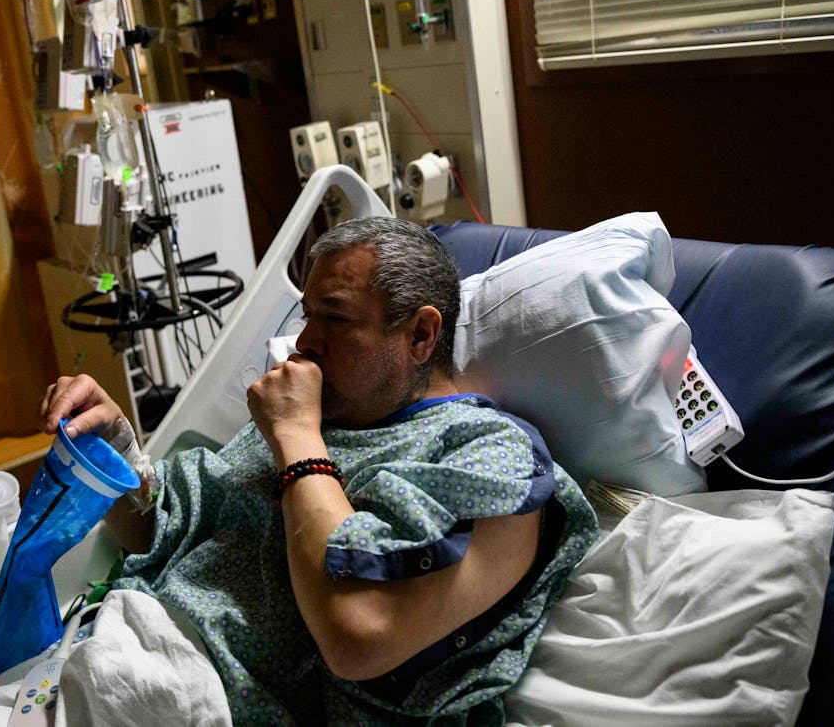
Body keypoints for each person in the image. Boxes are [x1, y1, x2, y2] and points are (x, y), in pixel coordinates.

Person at [41, 217, 597, 724]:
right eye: (308, 316)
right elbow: (154, 528)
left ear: (421, 336)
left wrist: (297, 439)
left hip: (214, 699)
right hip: (106, 649)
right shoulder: (322, 414)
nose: (305, 343)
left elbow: (357, 637)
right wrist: (111, 446)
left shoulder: (488, 453)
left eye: (336, 318)